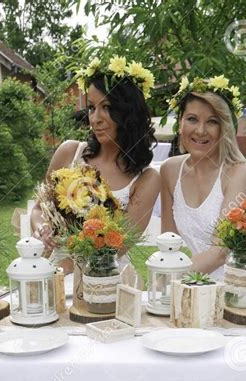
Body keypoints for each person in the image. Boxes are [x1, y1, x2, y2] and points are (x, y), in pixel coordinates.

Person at [31, 56, 160, 251]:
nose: (95, 118)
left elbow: (121, 246)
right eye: (92, 108)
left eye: (106, 108)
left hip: (106, 275)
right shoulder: (69, 152)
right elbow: (39, 209)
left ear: (128, 113)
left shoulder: (147, 179)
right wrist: (43, 228)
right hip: (55, 271)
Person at [160, 76, 246, 280]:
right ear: (180, 123)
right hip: (197, 283)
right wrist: (163, 283)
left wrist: (168, 278)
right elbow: (169, 242)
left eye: (212, 121)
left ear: (224, 128)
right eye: (192, 119)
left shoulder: (238, 173)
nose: (200, 130)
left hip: (244, 286)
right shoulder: (169, 170)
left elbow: (220, 253)